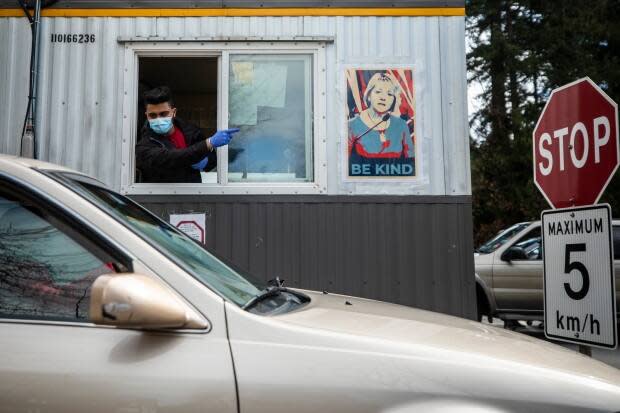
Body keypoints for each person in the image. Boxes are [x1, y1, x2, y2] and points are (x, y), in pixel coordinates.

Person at [135, 86, 239, 183]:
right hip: (161, 198)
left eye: (163, 114)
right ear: (147, 116)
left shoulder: (191, 132)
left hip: (192, 194)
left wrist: (206, 161)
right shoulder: (144, 145)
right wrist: (208, 143)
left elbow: (212, 160)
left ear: (173, 112)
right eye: (153, 115)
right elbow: (173, 158)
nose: (158, 119)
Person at [348, 73, 414, 177]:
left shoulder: (401, 125)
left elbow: (411, 163)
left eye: (389, 94)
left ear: (394, 100)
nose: (383, 98)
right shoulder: (352, 126)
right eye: (378, 92)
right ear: (369, 95)